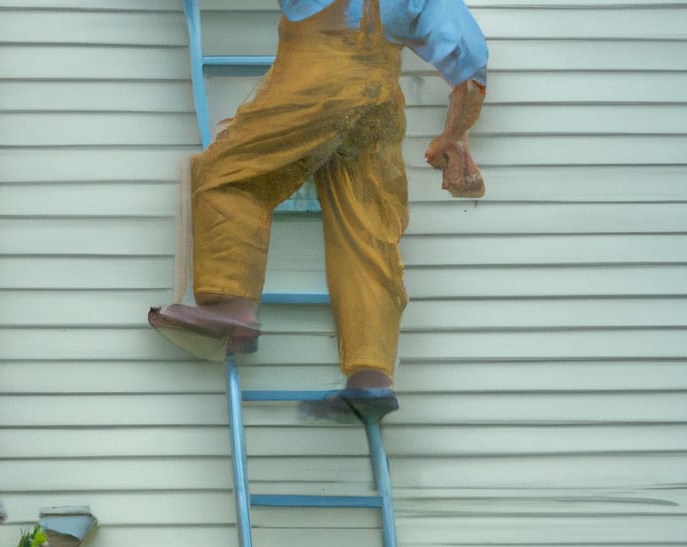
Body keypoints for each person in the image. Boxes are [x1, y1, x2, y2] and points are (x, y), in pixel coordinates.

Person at [150, 0, 488, 419]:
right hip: (379, 100)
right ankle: (371, 376)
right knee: (366, 229)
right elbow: (471, 65)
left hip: (318, 82)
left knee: (230, 173)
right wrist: (454, 137)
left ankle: (231, 305)